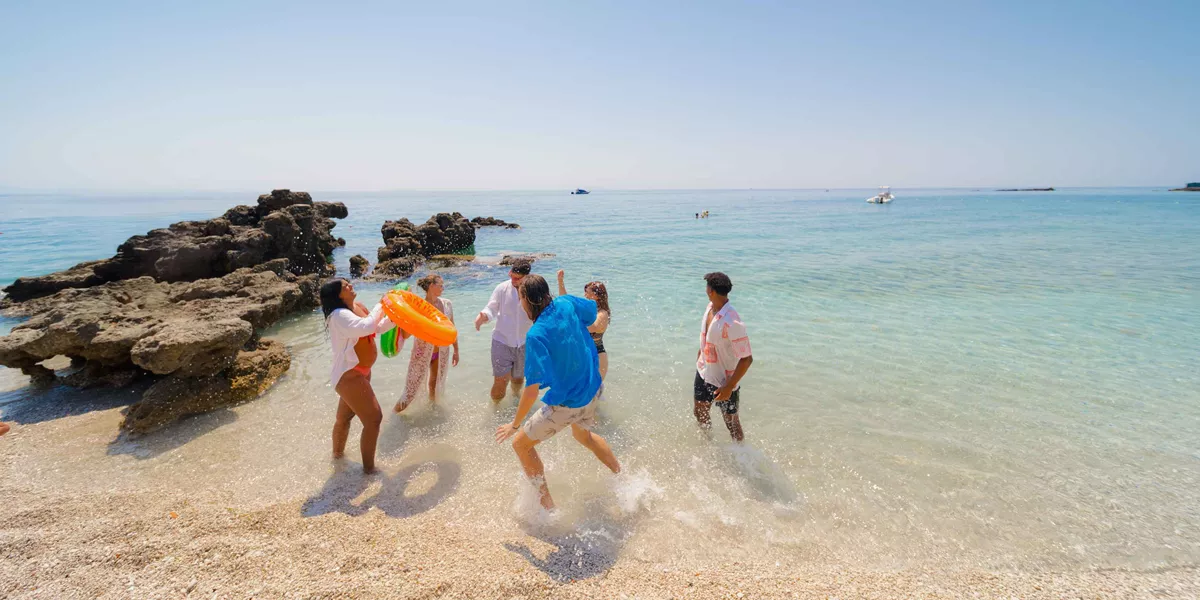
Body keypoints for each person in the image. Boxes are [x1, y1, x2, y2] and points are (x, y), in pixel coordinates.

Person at [495, 274, 621, 510]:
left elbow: (531, 390)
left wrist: (514, 425)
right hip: (592, 389)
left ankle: (548, 508)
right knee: (584, 436)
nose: (519, 303)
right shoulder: (566, 303)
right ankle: (621, 477)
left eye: (520, 297)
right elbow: (593, 311)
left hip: (569, 403)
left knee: (521, 445)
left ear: (527, 300)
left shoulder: (536, 334)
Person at [321, 278, 408, 473]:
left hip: (361, 374)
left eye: (349, 283)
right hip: (349, 376)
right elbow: (365, 327)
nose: (350, 286)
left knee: (344, 418)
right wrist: (384, 303)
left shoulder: (358, 306)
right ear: (338, 295)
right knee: (374, 419)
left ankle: (337, 460)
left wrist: (397, 317)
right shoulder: (338, 315)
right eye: (345, 287)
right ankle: (369, 471)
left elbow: (375, 329)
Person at [694, 272, 753, 442]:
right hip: (704, 370)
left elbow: (747, 359)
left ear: (711, 291)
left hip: (724, 379)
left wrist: (729, 386)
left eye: (707, 287)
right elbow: (707, 336)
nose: (706, 290)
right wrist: (701, 353)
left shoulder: (733, 322)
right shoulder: (710, 307)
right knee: (699, 410)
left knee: (732, 423)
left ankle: (742, 457)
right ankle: (708, 444)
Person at [396, 273, 459, 412]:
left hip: (441, 353)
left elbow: (452, 328)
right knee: (411, 391)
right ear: (431, 286)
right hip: (422, 353)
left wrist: (456, 350)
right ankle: (394, 417)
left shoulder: (447, 304)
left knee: (434, 386)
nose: (443, 288)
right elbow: (406, 335)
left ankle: (431, 412)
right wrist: (403, 319)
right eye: (440, 285)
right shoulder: (419, 307)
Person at [474, 259, 533, 402]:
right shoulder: (501, 288)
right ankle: (494, 410)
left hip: (525, 343)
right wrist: (483, 316)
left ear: (526, 276)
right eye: (511, 276)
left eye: (517, 278)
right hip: (502, 341)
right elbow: (491, 308)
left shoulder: (534, 289)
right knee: (500, 381)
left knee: (518, 380)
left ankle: (515, 399)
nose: (513, 280)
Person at [557, 270, 610, 380]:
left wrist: (570, 322)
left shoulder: (602, 313)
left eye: (587, 292)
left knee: (593, 393)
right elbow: (566, 302)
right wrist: (560, 281)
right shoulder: (587, 311)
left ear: (596, 295)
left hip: (598, 355)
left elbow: (592, 328)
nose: (585, 295)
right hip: (584, 354)